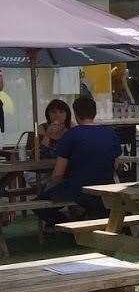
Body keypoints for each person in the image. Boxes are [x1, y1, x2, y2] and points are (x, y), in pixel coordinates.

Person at [37, 95, 120, 223]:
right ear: (95, 113)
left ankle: (71, 228)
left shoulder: (71, 135)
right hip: (106, 187)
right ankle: (80, 221)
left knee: (39, 205)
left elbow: (57, 175)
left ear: (75, 113)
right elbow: (115, 165)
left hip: (77, 189)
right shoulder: (110, 133)